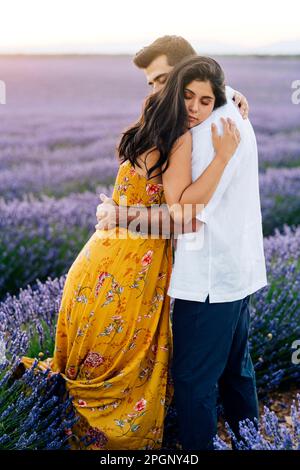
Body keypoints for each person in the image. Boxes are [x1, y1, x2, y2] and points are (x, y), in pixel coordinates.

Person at [19, 54, 240, 450]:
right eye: (186, 95)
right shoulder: (182, 138)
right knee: (125, 367)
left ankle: (51, 431)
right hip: (132, 274)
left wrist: (118, 212)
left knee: (95, 362)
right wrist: (223, 157)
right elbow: (186, 215)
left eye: (205, 101)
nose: (194, 108)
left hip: (95, 263)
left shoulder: (150, 120)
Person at [96, 36, 268, 451]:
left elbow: (186, 216)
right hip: (235, 271)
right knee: (235, 371)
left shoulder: (210, 131)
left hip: (208, 276)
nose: (156, 92)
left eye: (160, 80)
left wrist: (121, 218)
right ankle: (252, 444)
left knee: (193, 381)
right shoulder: (223, 110)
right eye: (150, 84)